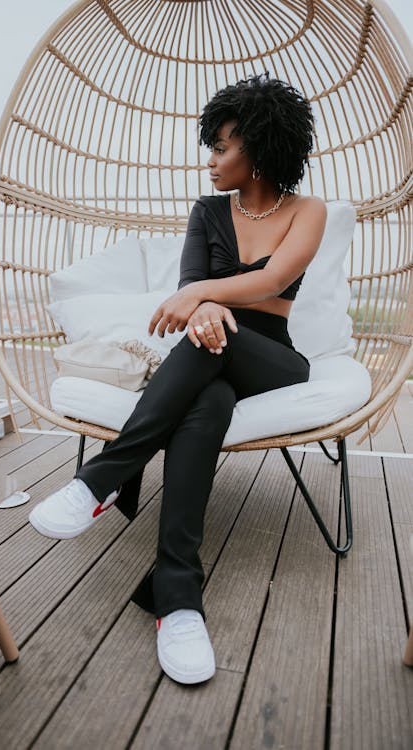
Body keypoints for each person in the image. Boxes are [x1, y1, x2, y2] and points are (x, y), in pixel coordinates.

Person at [29, 73, 327, 686]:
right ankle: (178, 600)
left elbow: (271, 283)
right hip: (206, 352)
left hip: (271, 356)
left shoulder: (308, 211)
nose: (211, 161)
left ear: (262, 146)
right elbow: (197, 292)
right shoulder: (209, 212)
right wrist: (206, 306)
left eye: (223, 147)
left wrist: (199, 295)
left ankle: (103, 478)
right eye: (211, 147)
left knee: (214, 347)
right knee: (207, 399)